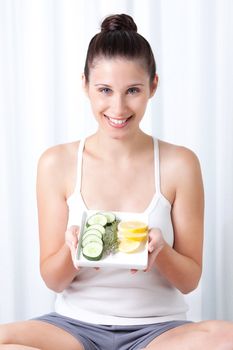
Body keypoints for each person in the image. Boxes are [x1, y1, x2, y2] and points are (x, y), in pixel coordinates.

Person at [1, 13, 233, 350]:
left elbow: (189, 281)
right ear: (85, 85)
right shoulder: (57, 163)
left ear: (153, 86)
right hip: (74, 328)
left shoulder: (180, 163)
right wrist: (72, 251)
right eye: (105, 90)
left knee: (227, 338)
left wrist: (161, 252)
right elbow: (53, 279)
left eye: (133, 90)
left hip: (158, 331)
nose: (119, 107)